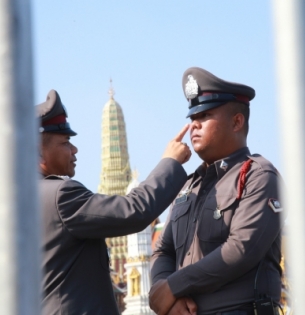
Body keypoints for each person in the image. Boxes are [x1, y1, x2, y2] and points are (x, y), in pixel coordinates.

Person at [37, 89, 192, 315]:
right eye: (65, 142)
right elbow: (135, 210)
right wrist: (170, 162)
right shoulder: (60, 196)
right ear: (39, 153)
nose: (74, 149)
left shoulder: (17, 203)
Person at [150, 67, 284, 315]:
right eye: (192, 119)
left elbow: (242, 248)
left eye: (204, 116)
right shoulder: (188, 186)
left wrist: (173, 287)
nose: (194, 126)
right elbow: (162, 250)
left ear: (236, 122)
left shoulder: (258, 175)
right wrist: (164, 293)